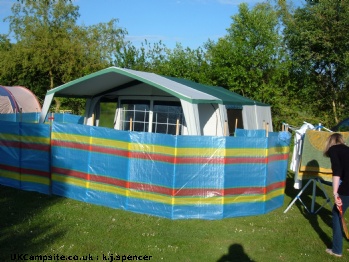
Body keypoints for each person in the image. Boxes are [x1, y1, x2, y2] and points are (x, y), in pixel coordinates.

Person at [323, 133, 349, 257]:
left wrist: (335, 193)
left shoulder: (334, 149)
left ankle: (337, 250)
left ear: (331, 142)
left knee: (337, 213)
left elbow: (337, 171)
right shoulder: (347, 149)